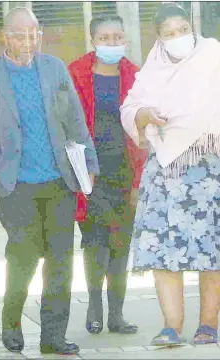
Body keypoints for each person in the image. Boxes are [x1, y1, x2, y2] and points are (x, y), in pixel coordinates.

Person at [121, 2, 220, 347]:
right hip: (167, 174)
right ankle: (171, 326)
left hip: (213, 170)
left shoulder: (219, 58)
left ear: (193, 28)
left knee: (215, 249)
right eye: (169, 33)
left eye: (183, 30)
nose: (177, 38)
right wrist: (147, 113)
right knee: (164, 250)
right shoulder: (153, 68)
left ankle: (208, 325)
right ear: (159, 38)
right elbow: (131, 107)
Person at [0, 7, 99, 356]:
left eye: (34, 34)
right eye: (20, 35)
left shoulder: (54, 69)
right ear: (6, 37)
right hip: (17, 186)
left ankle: (53, 337)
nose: (28, 41)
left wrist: (88, 161)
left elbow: (76, 120)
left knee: (61, 260)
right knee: (24, 258)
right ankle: (12, 320)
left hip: (59, 180)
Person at [68, 15, 147, 335]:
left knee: (120, 244)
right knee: (95, 242)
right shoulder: (74, 73)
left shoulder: (135, 75)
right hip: (88, 174)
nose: (112, 43)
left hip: (124, 173)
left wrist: (138, 181)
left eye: (117, 37)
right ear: (92, 40)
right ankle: (94, 308)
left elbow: (144, 133)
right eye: (105, 38)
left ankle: (117, 313)